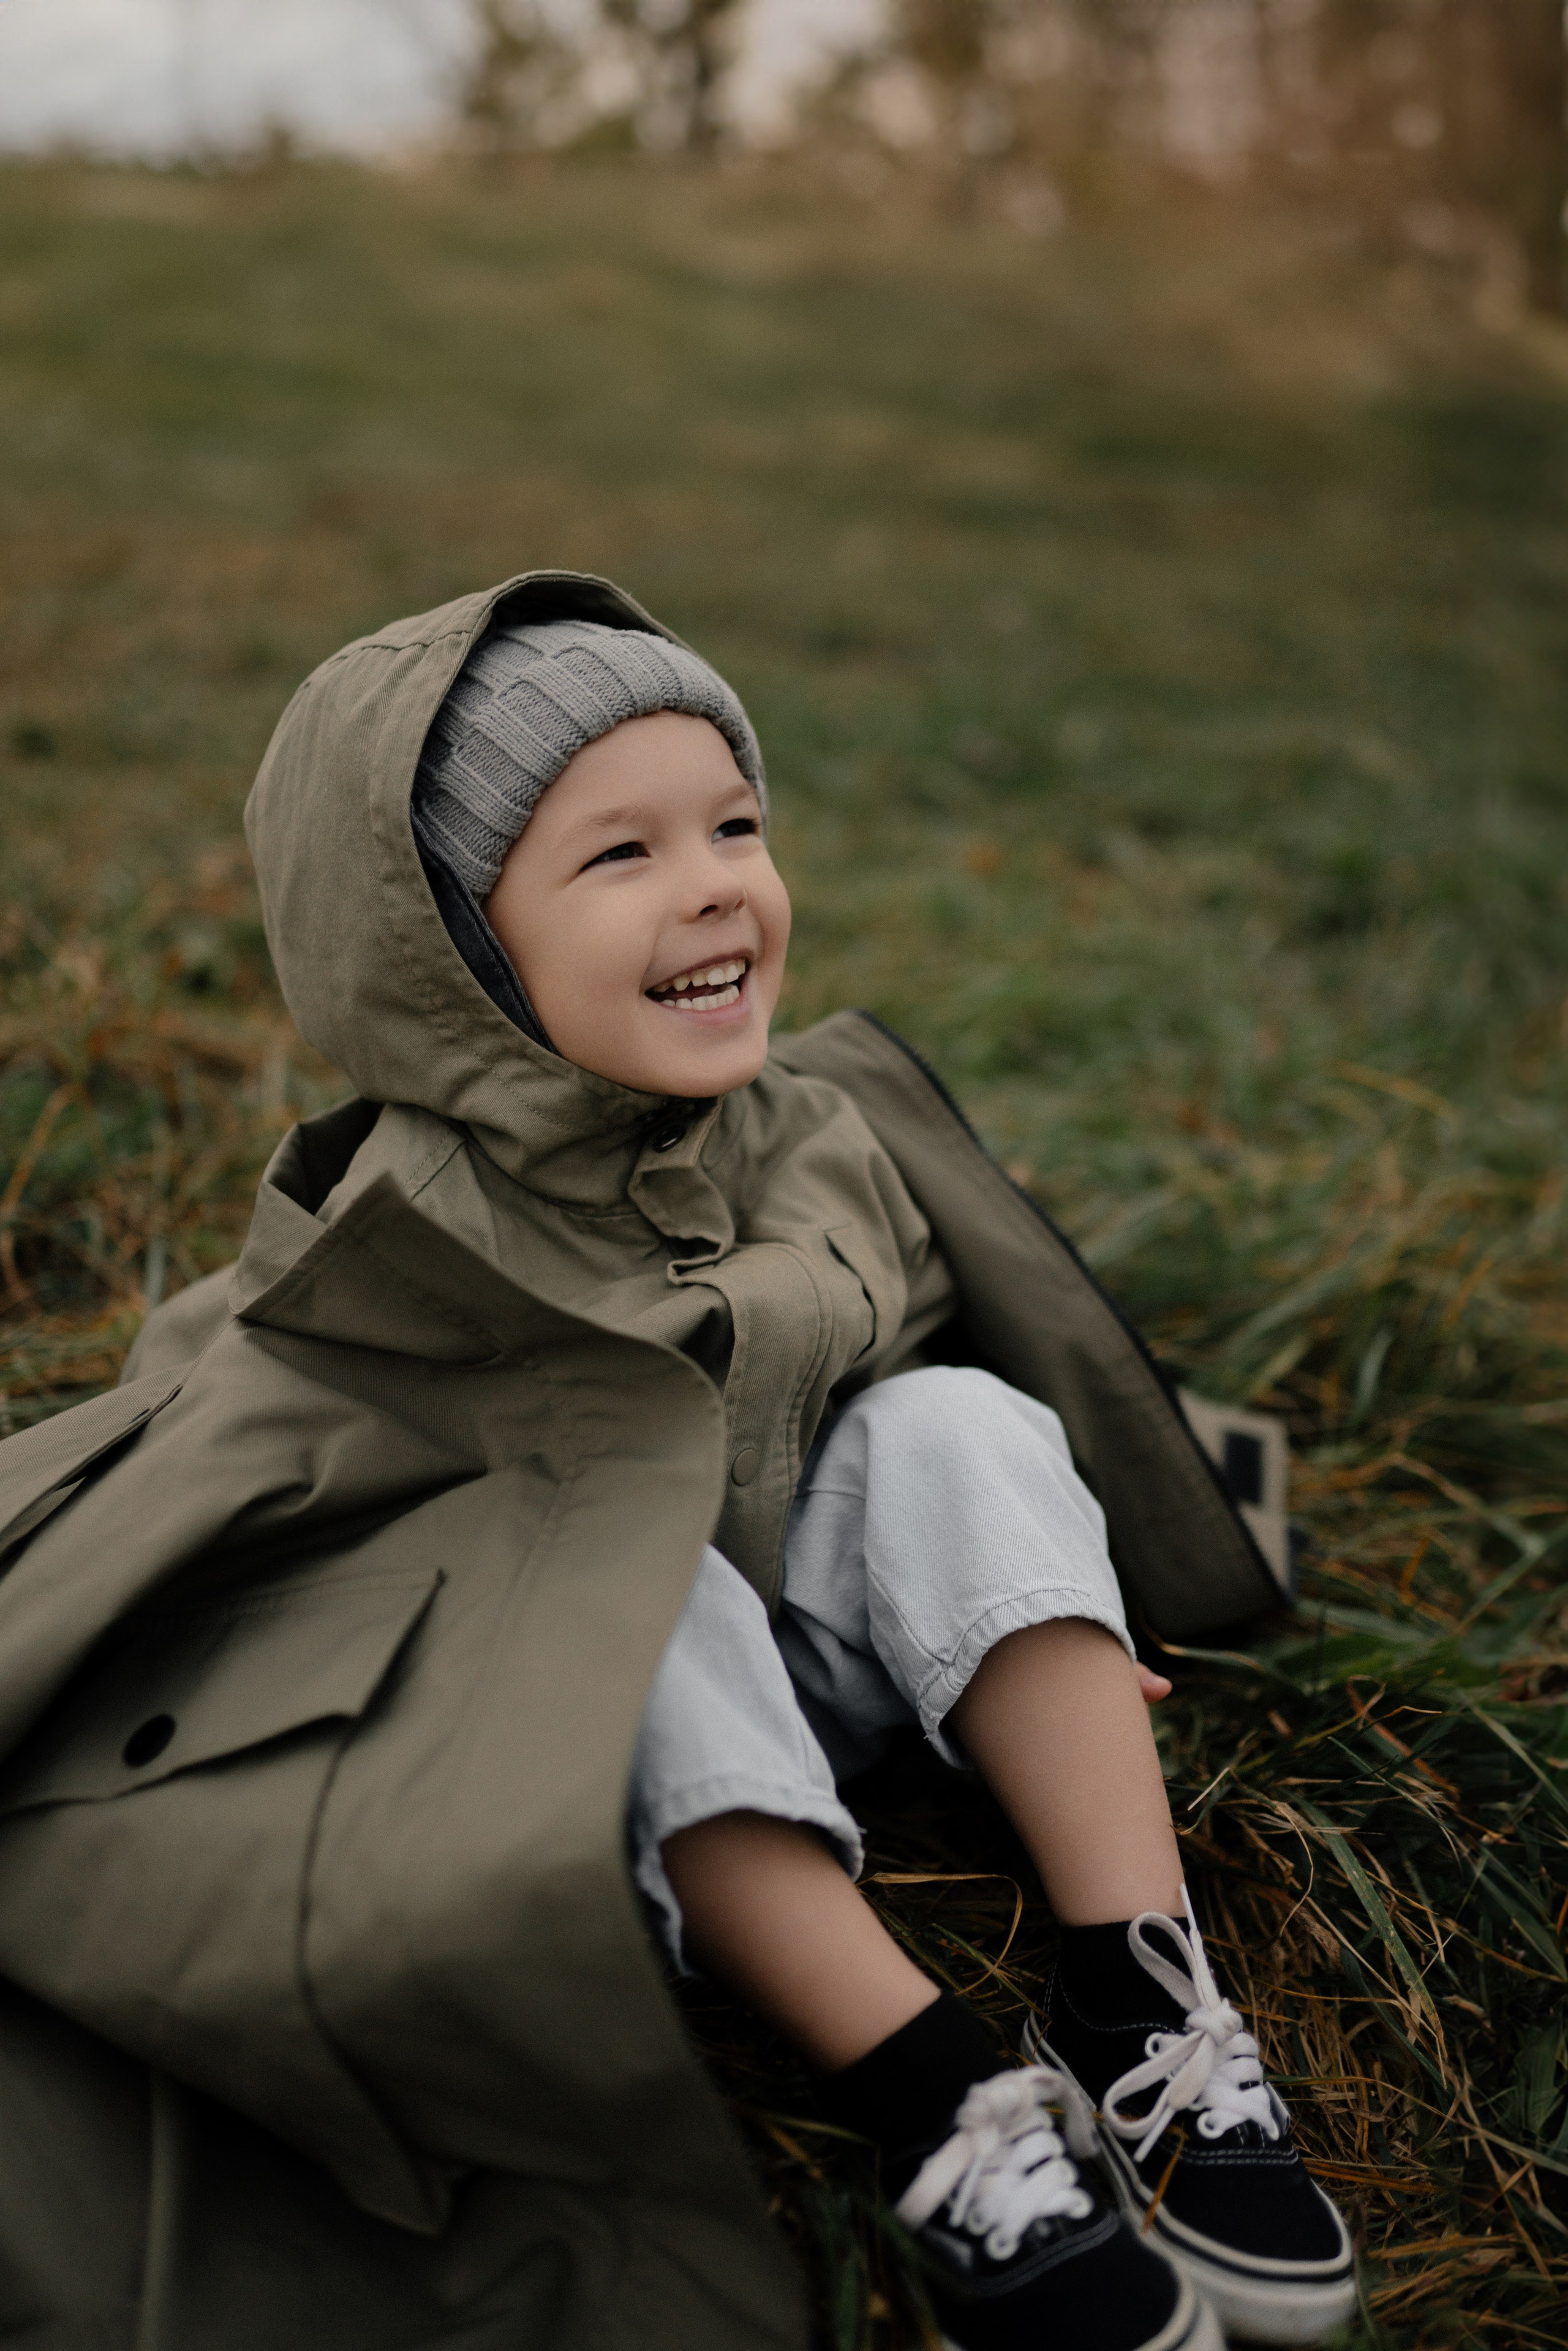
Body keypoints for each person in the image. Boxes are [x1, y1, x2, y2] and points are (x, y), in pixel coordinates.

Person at [0, 572, 1352, 2351]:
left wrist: (1062, 1619)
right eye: (617, 856)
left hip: (835, 1658)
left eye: (732, 823)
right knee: (619, 1590)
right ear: (451, 956)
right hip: (622, 1752)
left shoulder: (813, 1133)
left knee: (958, 1424)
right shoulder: (394, 1248)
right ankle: (935, 2091)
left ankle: (1139, 1996)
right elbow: (254, 1459)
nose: (716, 879)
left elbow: (964, 1354)